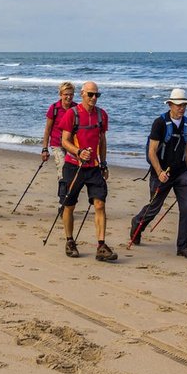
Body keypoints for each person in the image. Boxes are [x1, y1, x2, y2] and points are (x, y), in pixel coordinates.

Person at [130, 88, 187, 259]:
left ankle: (183, 246)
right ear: (170, 104)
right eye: (178, 105)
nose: (181, 108)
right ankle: (137, 223)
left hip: (181, 173)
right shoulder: (159, 123)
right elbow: (152, 151)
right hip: (160, 173)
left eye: (184, 105)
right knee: (154, 208)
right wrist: (159, 172)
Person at [56, 81, 116, 261]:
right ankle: (70, 241)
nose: (94, 98)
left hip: (94, 168)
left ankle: (101, 245)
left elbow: (102, 140)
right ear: (82, 94)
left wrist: (104, 162)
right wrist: (78, 152)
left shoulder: (101, 115)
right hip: (73, 166)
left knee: (100, 204)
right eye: (90, 94)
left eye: (97, 95)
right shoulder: (71, 115)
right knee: (69, 205)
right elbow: (64, 141)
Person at [41, 82, 77, 172]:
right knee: (63, 169)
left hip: (71, 144)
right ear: (60, 95)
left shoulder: (77, 108)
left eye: (71, 94)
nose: (69, 97)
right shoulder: (54, 108)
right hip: (57, 144)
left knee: (72, 171)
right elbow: (47, 130)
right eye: (66, 94)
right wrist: (45, 149)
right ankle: (63, 185)